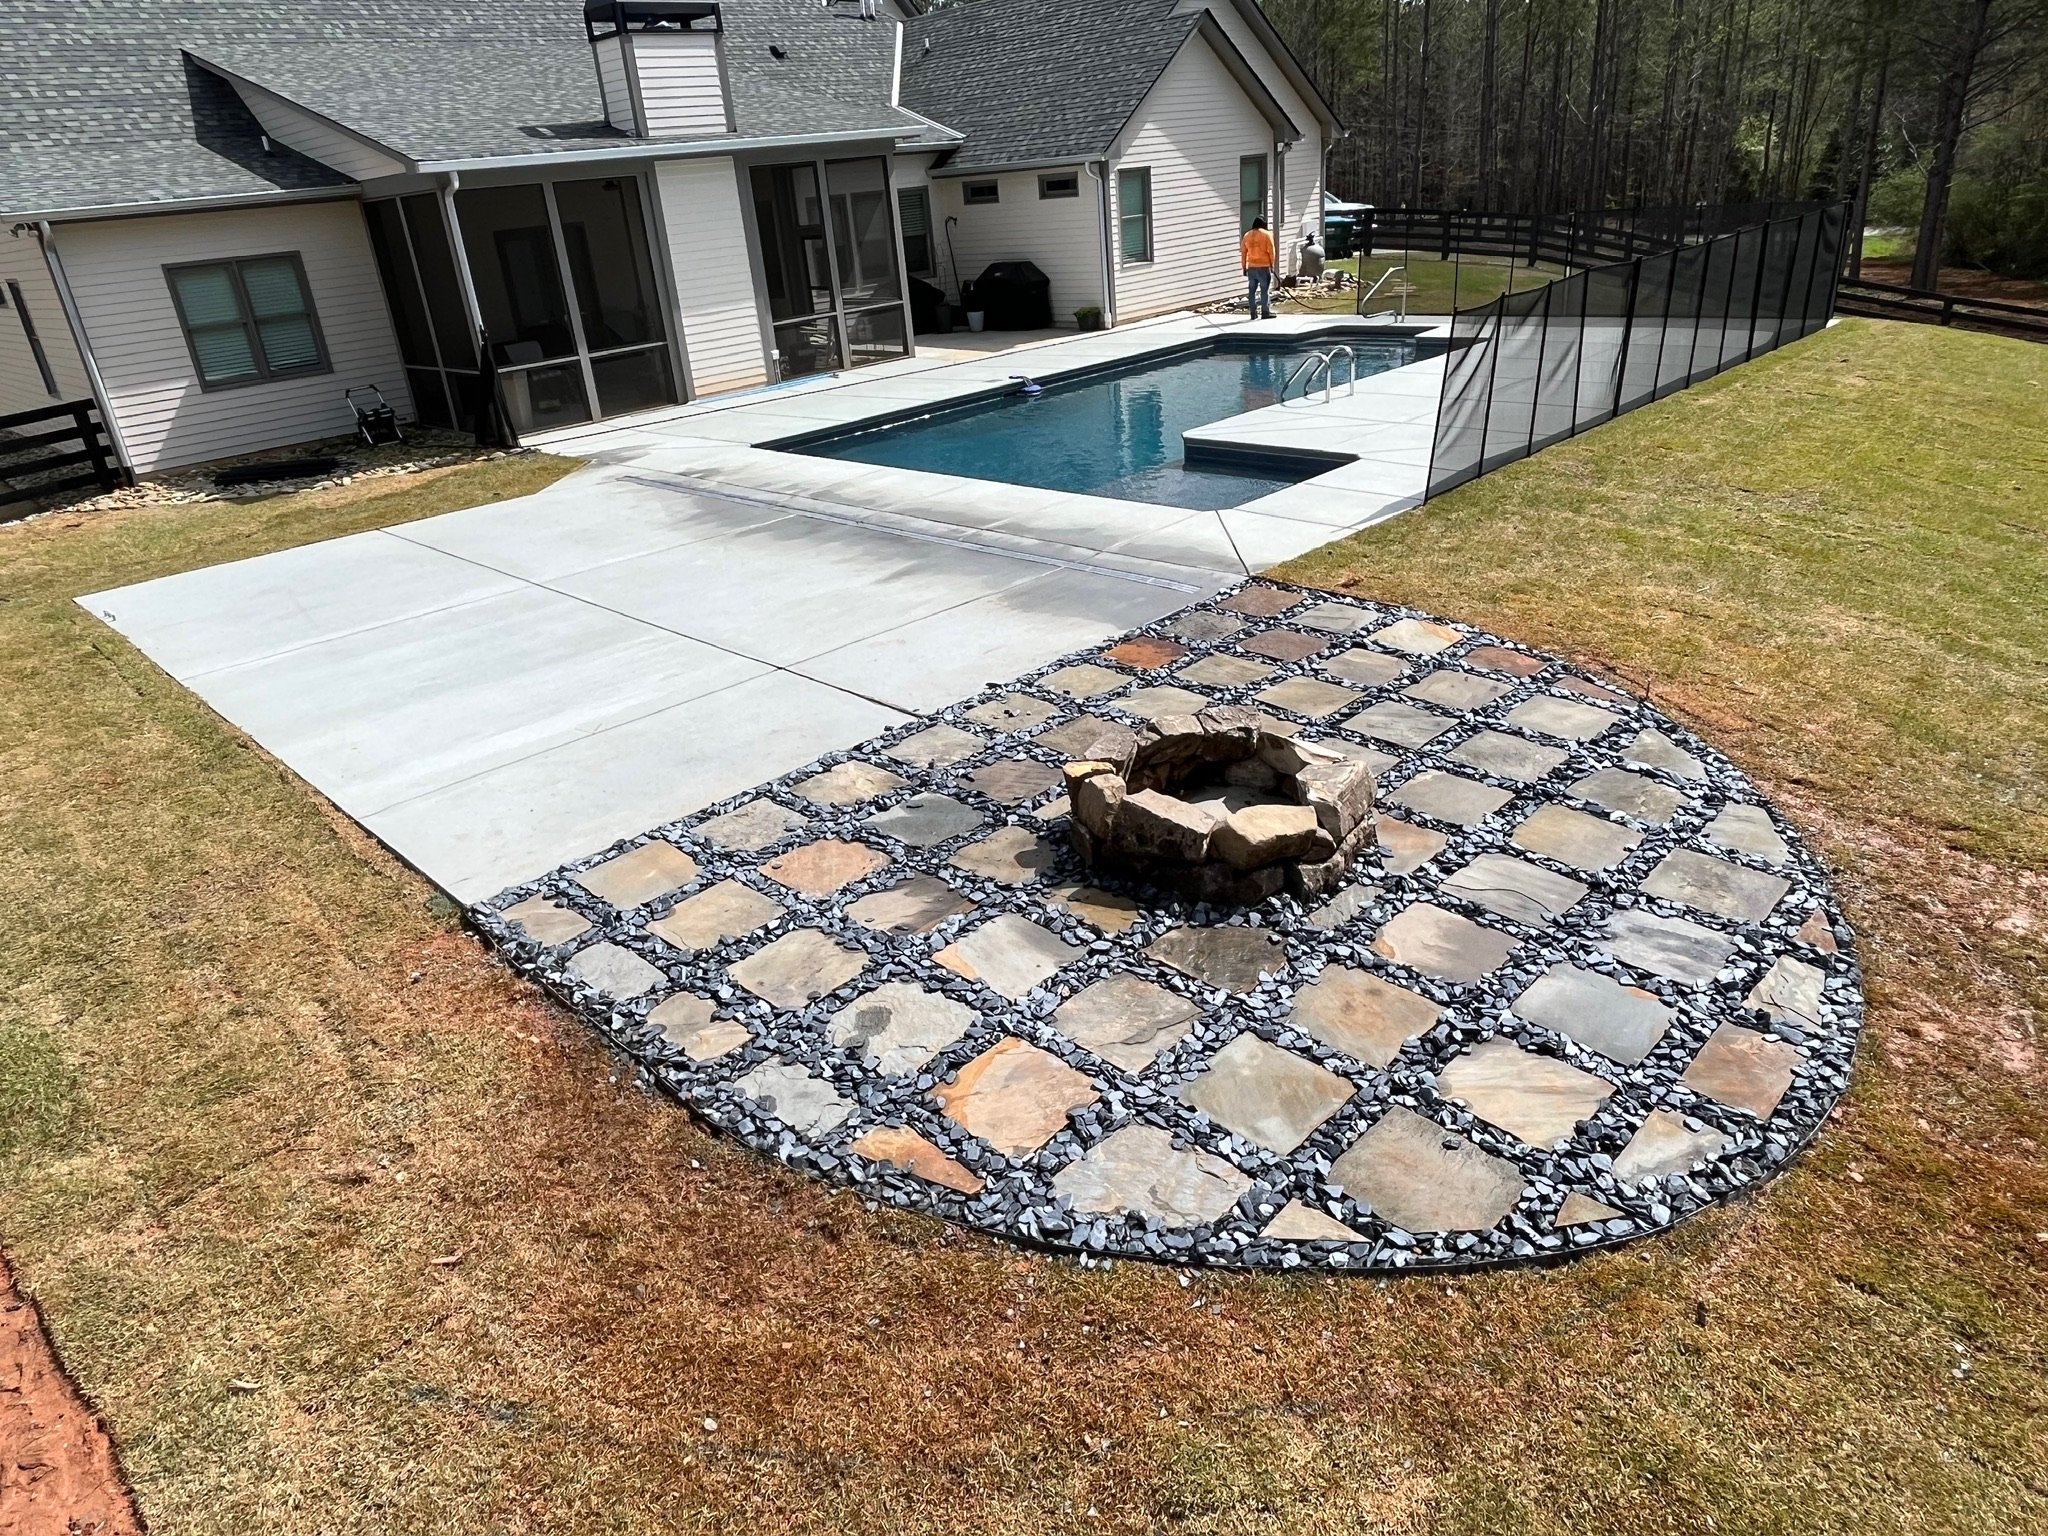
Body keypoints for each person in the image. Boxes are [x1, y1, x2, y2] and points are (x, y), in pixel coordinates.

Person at [1241, 217, 1276, 319]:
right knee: (1264, 290)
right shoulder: (1267, 234)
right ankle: (1265, 312)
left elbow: (1243, 253)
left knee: (1251, 291)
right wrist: (1272, 265)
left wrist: (1244, 267)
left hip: (1251, 267)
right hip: (1263, 267)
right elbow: (1271, 252)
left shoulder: (1247, 235)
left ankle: (1253, 313)